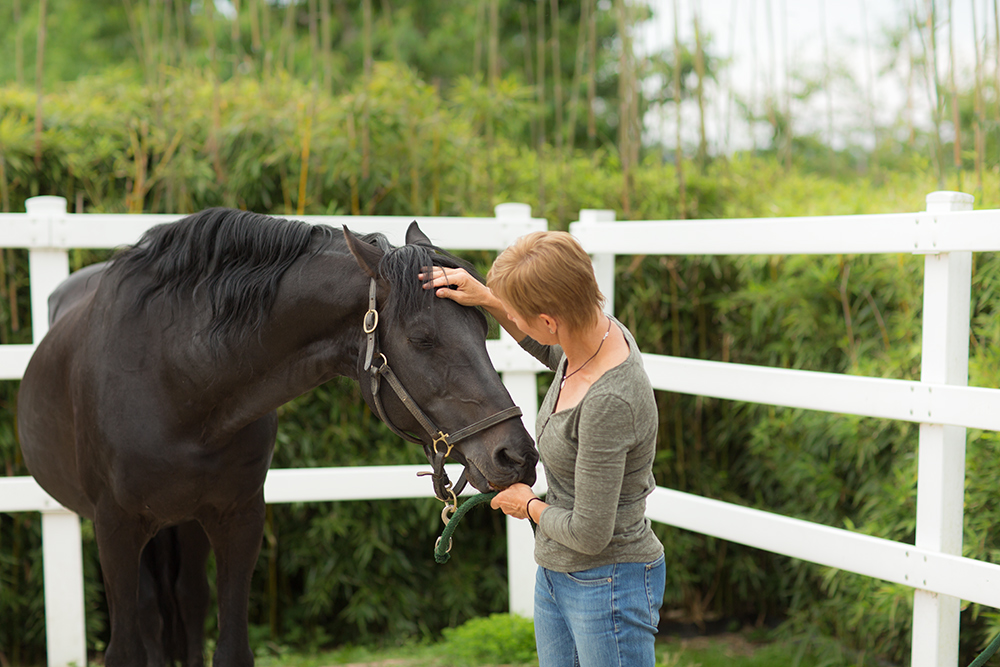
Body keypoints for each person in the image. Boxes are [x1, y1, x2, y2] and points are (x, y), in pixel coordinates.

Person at [419, 230, 665, 667]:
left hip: (607, 582)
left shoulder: (609, 399)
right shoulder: (596, 336)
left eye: (518, 313)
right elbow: (551, 351)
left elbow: (591, 534)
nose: (511, 315)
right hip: (557, 572)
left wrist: (527, 505)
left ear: (551, 321)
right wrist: (489, 300)